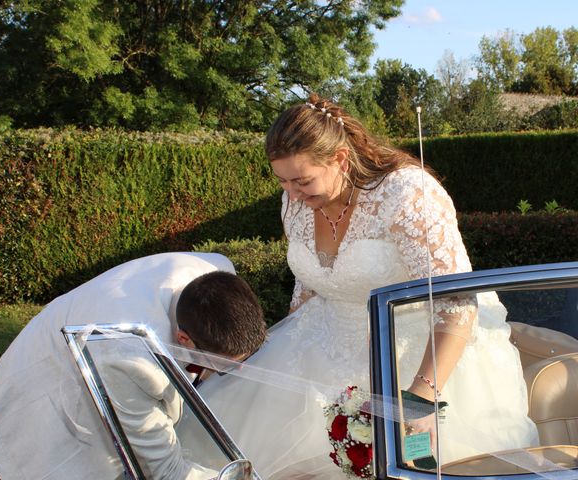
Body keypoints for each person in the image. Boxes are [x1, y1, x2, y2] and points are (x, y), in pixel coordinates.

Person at [186, 95, 539, 477]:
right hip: (323, 351)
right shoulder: (294, 203)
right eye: (283, 181)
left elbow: (455, 304)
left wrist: (420, 399)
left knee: (414, 466)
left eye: (303, 180)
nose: (291, 194)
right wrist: (263, 356)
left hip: (420, 356)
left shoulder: (406, 194)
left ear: (340, 158)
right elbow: (307, 289)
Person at [0, 252, 266, 480]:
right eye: (224, 366)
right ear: (183, 339)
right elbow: (164, 472)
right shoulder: (130, 362)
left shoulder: (216, 271)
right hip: (47, 394)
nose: (235, 374)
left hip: (96, 326)